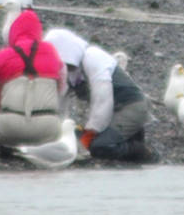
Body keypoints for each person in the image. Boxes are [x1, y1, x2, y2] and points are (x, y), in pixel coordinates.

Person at [44, 26, 157, 164]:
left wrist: (91, 131)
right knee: (74, 138)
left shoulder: (93, 57)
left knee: (99, 147)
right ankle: (125, 136)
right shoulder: (71, 71)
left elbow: (103, 100)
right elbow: (60, 103)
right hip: (112, 114)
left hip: (131, 108)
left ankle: (141, 151)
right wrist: (54, 132)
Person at [0, 8, 66, 147]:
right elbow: (61, 88)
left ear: (13, 32)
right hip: (47, 128)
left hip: (9, 127)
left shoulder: (2, 56)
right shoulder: (51, 52)